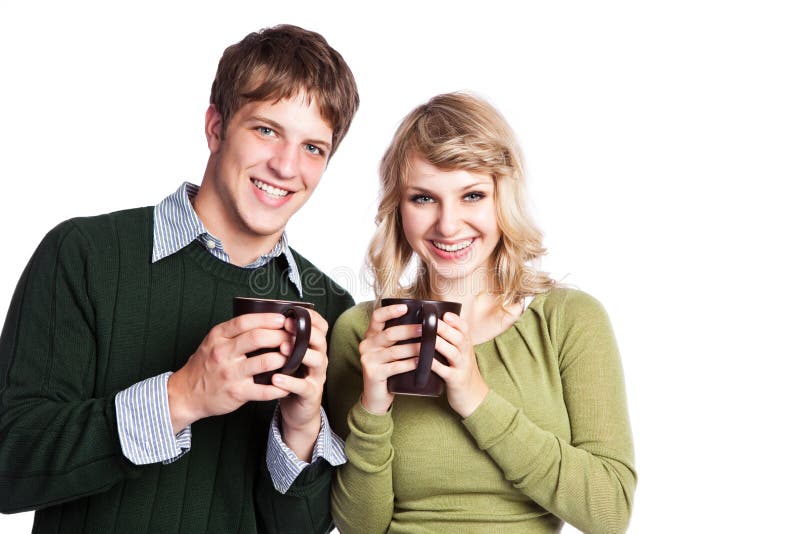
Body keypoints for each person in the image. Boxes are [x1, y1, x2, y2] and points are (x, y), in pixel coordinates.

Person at [0, 24, 358, 533]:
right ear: (215, 128)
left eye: (313, 148)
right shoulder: (84, 255)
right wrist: (182, 397)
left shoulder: (330, 307)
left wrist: (300, 430)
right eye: (266, 130)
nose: (285, 166)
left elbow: (301, 527)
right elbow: (9, 464)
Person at [328, 92, 636, 533]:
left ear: (502, 200)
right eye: (423, 198)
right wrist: (372, 409)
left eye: (472, 195)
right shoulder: (363, 332)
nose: (448, 225)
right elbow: (361, 528)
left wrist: (476, 398)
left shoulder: (568, 320)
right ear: (398, 208)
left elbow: (610, 512)